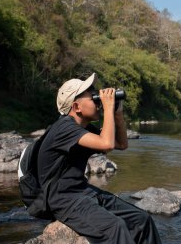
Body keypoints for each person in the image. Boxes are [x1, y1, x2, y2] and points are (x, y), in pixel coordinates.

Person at [37, 73, 162, 244]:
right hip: (63, 199)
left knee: (142, 219)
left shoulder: (84, 128)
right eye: (92, 96)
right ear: (76, 106)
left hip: (83, 191)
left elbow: (121, 144)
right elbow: (107, 144)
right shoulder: (64, 128)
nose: (98, 100)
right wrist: (108, 108)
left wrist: (117, 114)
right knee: (115, 228)